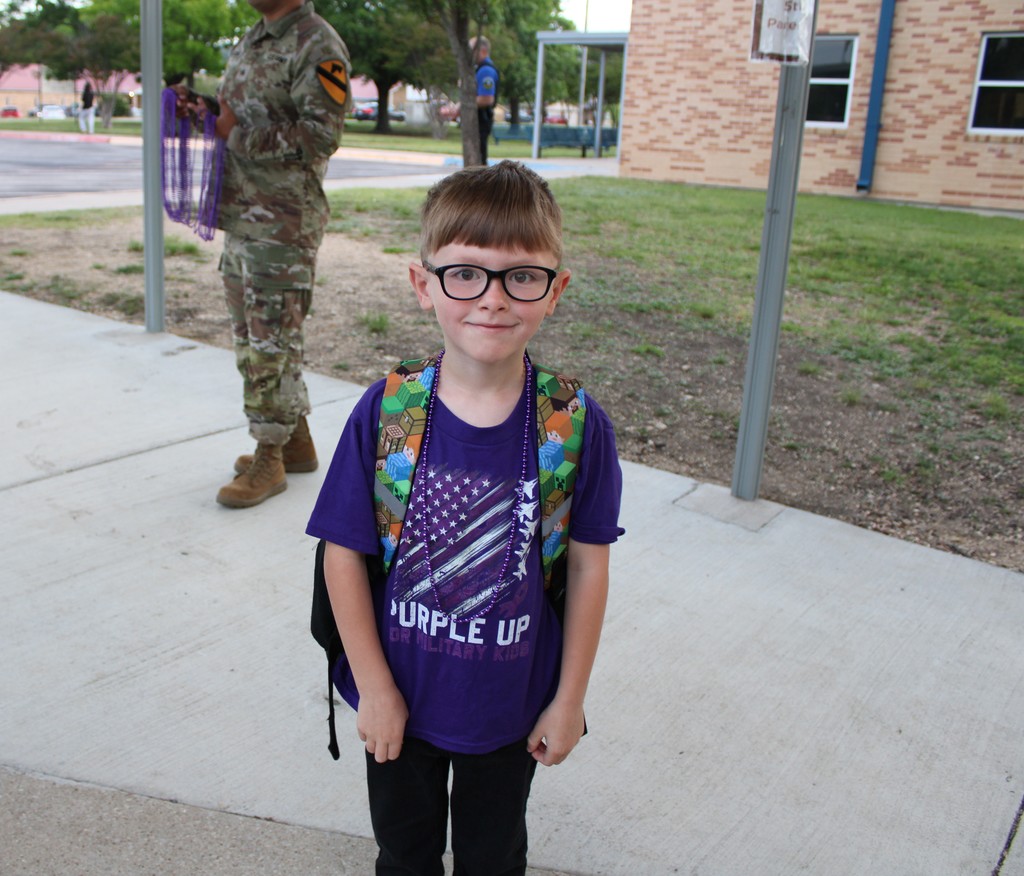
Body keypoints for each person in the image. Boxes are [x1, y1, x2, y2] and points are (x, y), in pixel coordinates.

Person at [306, 160, 625, 875]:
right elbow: (342, 556)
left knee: (494, 857)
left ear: (555, 290)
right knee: (405, 853)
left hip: (510, 709)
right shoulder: (387, 414)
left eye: (522, 275)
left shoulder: (571, 426)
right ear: (424, 284)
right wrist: (374, 688)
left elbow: (587, 563)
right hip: (400, 705)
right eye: (465, 273)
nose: (492, 298)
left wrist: (568, 700)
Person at [179, 0, 352, 508]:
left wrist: (237, 135)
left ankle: (269, 457)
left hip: (283, 222)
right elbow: (243, 114)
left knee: (269, 341)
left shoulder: (319, 44)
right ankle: (293, 441)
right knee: (256, 335)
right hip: (241, 215)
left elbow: (322, 134)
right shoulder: (255, 37)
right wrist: (205, 113)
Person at [471, 35, 499, 165]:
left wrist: (465, 105)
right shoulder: (479, 69)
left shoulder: (486, 70)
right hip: (478, 118)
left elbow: (487, 99)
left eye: (471, 50)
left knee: (479, 157)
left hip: (482, 118)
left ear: (482, 50)